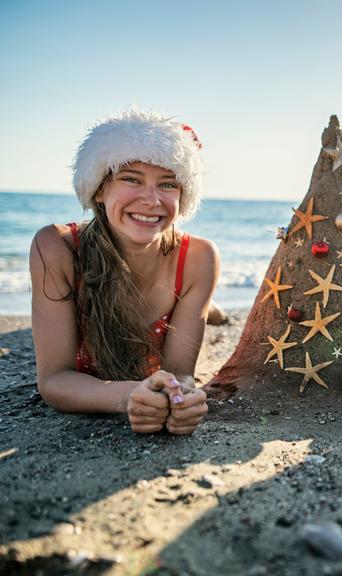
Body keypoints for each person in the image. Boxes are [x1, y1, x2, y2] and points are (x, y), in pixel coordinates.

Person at [30, 110, 219, 434]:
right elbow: (53, 380)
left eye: (168, 184)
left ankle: (211, 308)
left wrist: (181, 397)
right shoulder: (56, 247)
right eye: (131, 179)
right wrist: (130, 395)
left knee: (213, 314)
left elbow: (180, 373)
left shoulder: (199, 258)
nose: (151, 199)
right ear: (99, 189)